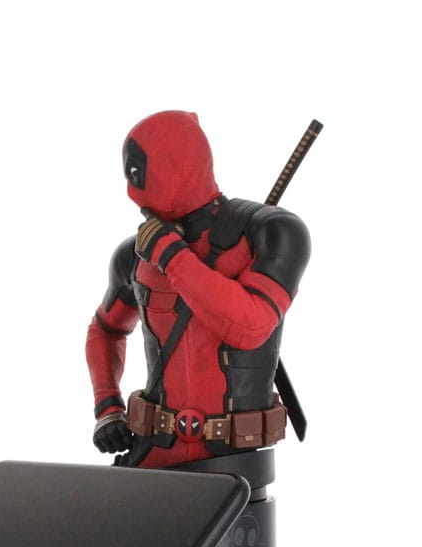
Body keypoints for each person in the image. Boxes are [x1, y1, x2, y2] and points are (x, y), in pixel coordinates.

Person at [85, 110, 310, 469]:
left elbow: (251, 326)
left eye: (138, 172)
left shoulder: (272, 231)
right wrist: (107, 406)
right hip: (152, 455)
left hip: (237, 464)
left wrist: (172, 258)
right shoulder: (134, 256)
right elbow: (105, 329)